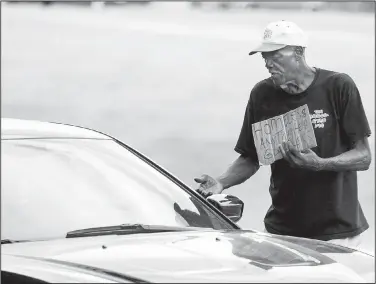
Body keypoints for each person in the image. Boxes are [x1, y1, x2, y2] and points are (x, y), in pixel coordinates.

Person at [194, 20, 372, 248]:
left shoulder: (338, 86)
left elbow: (363, 156)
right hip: (281, 233)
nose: (267, 63)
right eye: (264, 57)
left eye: (275, 55)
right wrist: (221, 182)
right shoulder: (262, 94)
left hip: (339, 235)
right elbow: (251, 157)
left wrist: (320, 164)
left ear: (298, 53)